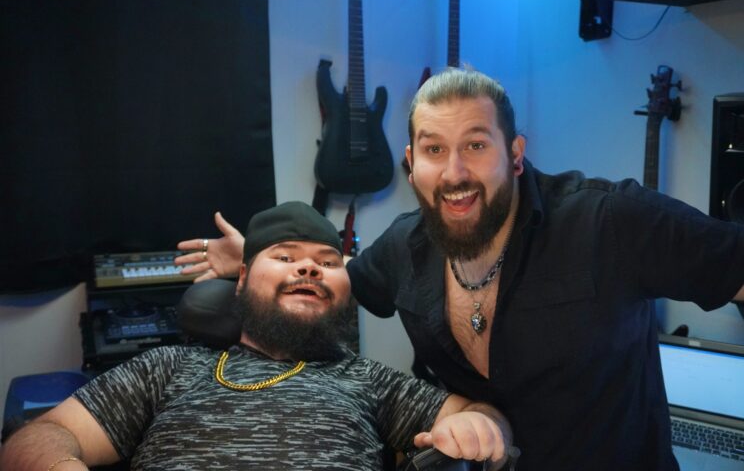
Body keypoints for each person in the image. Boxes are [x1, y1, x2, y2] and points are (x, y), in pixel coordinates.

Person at [173, 68, 744, 471]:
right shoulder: (403, 247)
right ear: (410, 163)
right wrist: (257, 258)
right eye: (434, 150)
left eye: (476, 145)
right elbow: (343, 274)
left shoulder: (610, 219)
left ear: (515, 154)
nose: (454, 173)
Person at [0, 201, 515, 471]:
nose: (310, 270)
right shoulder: (169, 368)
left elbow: (482, 416)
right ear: (242, 278)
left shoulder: (369, 380)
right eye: (286, 258)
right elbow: (34, 440)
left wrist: (483, 428)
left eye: (328, 262)